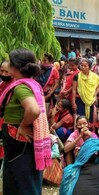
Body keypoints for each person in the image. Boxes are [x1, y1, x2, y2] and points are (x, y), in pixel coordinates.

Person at [0, 48, 52, 194]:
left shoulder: (21, 87)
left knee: (20, 181)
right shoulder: (31, 83)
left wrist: (22, 126)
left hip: (18, 140)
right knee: (25, 179)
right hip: (20, 142)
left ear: (15, 67)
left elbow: (33, 110)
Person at [72, 58, 99, 129]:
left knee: (92, 118)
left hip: (91, 100)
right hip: (80, 99)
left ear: (89, 67)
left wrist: (95, 93)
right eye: (81, 65)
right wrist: (73, 102)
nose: (83, 67)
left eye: (85, 66)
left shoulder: (94, 76)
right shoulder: (77, 76)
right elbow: (74, 90)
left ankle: (91, 133)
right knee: (80, 117)